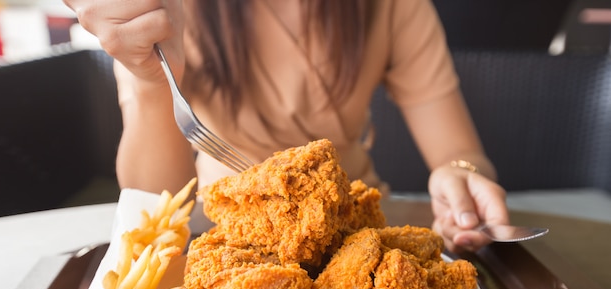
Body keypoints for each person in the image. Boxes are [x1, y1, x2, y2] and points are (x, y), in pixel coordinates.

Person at [63, 0, 508, 252]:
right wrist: (150, 80)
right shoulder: (161, 7)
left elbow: (459, 153)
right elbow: (152, 205)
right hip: (218, 233)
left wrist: (462, 174)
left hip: (359, 230)